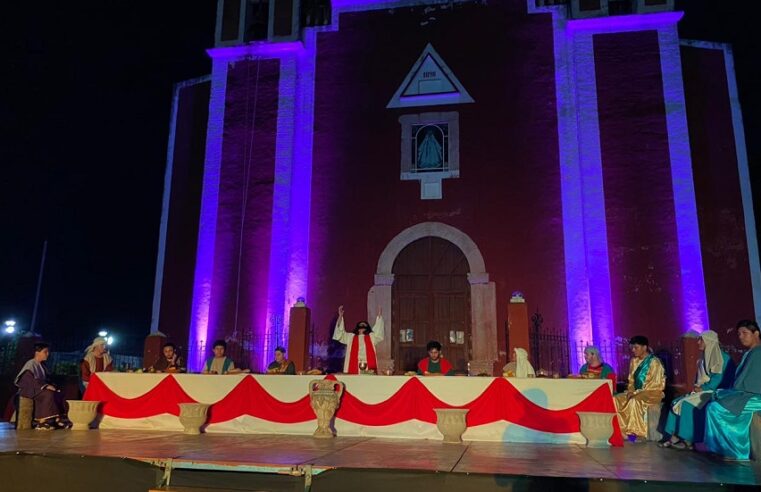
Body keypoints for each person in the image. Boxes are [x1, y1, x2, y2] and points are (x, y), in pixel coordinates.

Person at [660, 330, 733, 450]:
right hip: (703, 390)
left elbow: (719, 379)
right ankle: (674, 435)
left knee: (687, 405)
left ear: (708, 341)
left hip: (716, 391)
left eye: (701, 340)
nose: (698, 342)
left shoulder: (723, 358)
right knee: (675, 402)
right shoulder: (703, 357)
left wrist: (703, 388)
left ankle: (688, 440)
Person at [703, 320, 761, 460]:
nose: (741, 336)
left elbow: (753, 383)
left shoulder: (758, 353)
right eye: (739, 333)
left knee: (715, 408)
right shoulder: (750, 353)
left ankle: (732, 451)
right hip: (746, 393)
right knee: (716, 399)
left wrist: (732, 393)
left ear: (756, 333)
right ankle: (727, 448)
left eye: (744, 333)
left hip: (756, 397)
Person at [614, 335, 665, 440]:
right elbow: (631, 380)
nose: (633, 350)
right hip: (636, 392)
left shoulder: (654, 362)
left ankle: (636, 433)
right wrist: (630, 390)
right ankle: (620, 430)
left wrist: (636, 393)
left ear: (644, 347)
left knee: (634, 401)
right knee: (616, 399)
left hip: (652, 392)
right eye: (632, 348)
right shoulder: (634, 361)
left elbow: (655, 384)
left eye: (636, 347)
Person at [15, 342, 69, 430]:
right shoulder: (31, 364)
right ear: (37, 353)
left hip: (39, 388)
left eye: (48, 352)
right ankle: (42, 421)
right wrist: (45, 386)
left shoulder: (43, 365)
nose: (47, 354)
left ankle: (56, 419)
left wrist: (52, 386)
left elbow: (47, 379)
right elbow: (27, 380)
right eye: (45, 352)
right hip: (30, 390)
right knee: (48, 394)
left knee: (58, 393)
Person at [332, 305, 384, 374]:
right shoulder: (350, 337)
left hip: (368, 366)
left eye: (364, 326)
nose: (362, 328)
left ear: (367, 328)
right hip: (353, 365)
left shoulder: (371, 337)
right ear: (357, 328)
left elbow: (378, 331)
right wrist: (340, 316)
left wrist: (379, 317)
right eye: (360, 326)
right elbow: (339, 334)